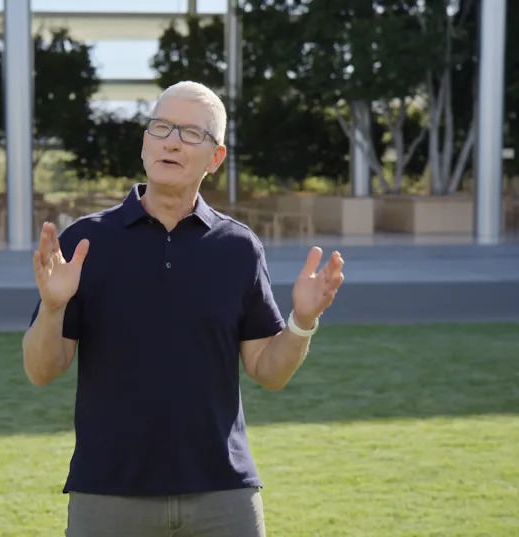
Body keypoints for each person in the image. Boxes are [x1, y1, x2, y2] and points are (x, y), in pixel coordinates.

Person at [22, 80, 345, 537]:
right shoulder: (84, 244)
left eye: (191, 133)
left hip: (223, 495)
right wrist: (53, 308)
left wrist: (302, 322)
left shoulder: (238, 248)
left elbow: (268, 372)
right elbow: (41, 371)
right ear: (144, 144)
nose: (172, 141)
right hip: (108, 494)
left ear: (216, 158)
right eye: (161, 128)